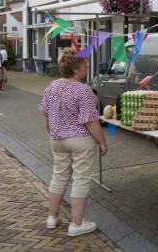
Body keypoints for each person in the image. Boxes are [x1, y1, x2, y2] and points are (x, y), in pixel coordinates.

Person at [38, 48, 108, 237]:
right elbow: (90, 121)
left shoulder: (51, 86)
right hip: (80, 141)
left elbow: (45, 114)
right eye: (85, 65)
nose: (87, 68)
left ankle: (52, 218)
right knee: (81, 180)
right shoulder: (83, 90)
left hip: (57, 139)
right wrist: (102, 142)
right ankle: (76, 224)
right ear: (76, 69)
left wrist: (54, 132)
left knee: (59, 176)